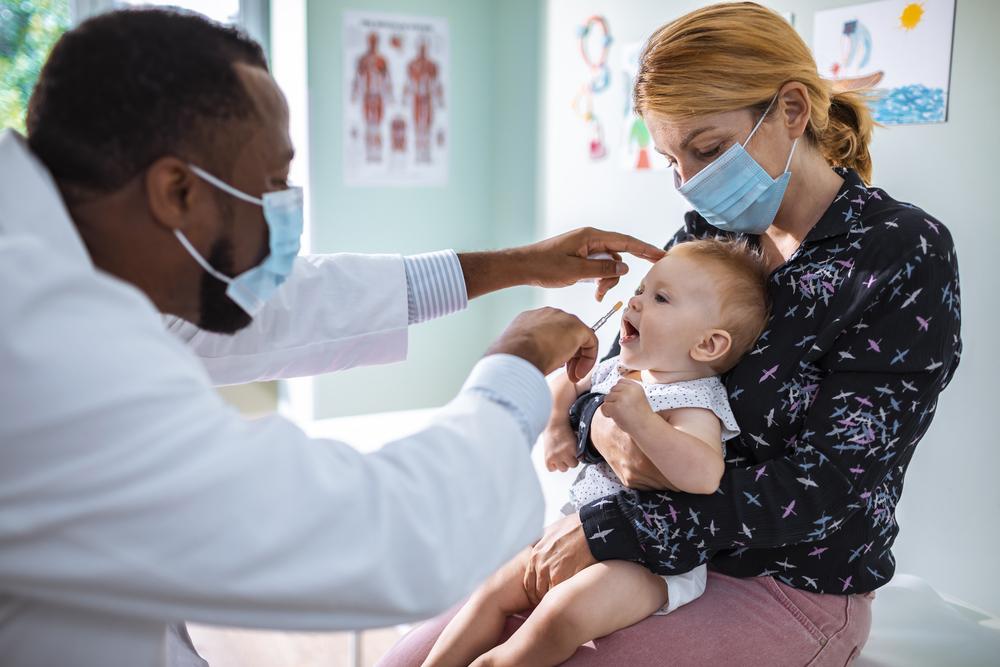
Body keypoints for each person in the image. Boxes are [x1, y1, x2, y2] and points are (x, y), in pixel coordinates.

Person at [0, 9, 666, 667]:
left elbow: (292, 303)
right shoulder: (38, 356)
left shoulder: (69, 265)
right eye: (272, 184)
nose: (285, 213)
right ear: (176, 191)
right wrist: (516, 364)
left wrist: (520, 265)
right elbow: (391, 535)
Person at [379, 3, 962, 665]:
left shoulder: (901, 254)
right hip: (632, 544)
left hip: (784, 576)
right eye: (672, 158)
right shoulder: (705, 238)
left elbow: (835, 487)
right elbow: (608, 371)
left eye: (707, 150)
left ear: (792, 111)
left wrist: (615, 523)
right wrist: (597, 417)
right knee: (411, 656)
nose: (689, 181)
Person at [422, 240, 769, 666]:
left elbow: (703, 474)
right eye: (642, 289)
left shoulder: (696, 401)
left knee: (559, 615)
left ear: (708, 345)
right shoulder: (620, 369)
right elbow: (565, 385)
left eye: (660, 298)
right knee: (492, 589)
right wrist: (555, 427)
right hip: (579, 523)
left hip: (646, 562)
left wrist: (643, 421)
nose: (637, 302)